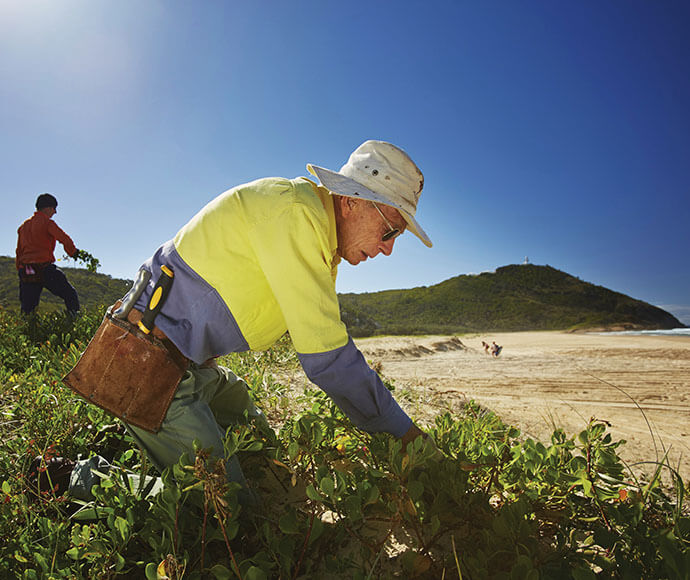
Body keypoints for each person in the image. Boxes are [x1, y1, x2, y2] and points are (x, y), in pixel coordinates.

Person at [52, 140, 435, 504]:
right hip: (142, 364)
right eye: (391, 231)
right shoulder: (296, 215)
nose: (388, 248)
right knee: (226, 509)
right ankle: (73, 479)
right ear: (353, 201)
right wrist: (407, 436)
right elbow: (330, 361)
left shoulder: (315, 227)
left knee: (264, 456)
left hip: (184, 366)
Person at [16, 193, 80, 316]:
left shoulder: (23, 227)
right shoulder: (47, 223)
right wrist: (73, 252)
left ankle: (27, 332)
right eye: (54, 208)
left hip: (27, 270)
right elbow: (64, 239)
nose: (55, 212)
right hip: (44, 268)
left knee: (28, 308)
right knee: (70, 294)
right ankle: (74, 323)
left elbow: (19, 251)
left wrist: (20, 268)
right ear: (48, 208)